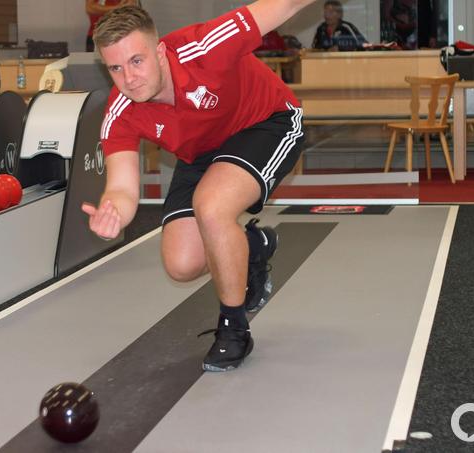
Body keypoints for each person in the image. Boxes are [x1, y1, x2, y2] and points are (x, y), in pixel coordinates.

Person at [83, 1, 315, 372]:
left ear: (160, 51)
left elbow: (285, 4)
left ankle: (234, 327)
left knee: (212, 206)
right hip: (204, 152)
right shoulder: (120, 112)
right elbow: (122, 188)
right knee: (182, 263)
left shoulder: (205, 46)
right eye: (116, 68)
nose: (129, 78)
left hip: (266, 122)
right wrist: (113, 212)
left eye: (137, 61)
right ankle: (253, 247)